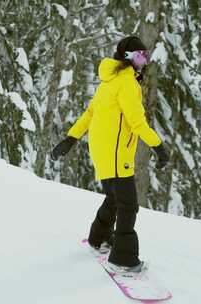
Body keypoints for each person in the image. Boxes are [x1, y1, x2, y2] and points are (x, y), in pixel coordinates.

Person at [51, 36, 169, 274]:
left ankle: (100, 239)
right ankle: (124, 259)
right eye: (139, 56)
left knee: (114, 198)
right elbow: (137, 123)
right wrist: (159, 147)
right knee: (128, 205)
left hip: (101, 151)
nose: (144, 61)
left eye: (145, 56)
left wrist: (70, 139)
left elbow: (89, 113)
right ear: (127, 58)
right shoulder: (126, 83)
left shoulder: (108, 81)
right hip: (117, 153)